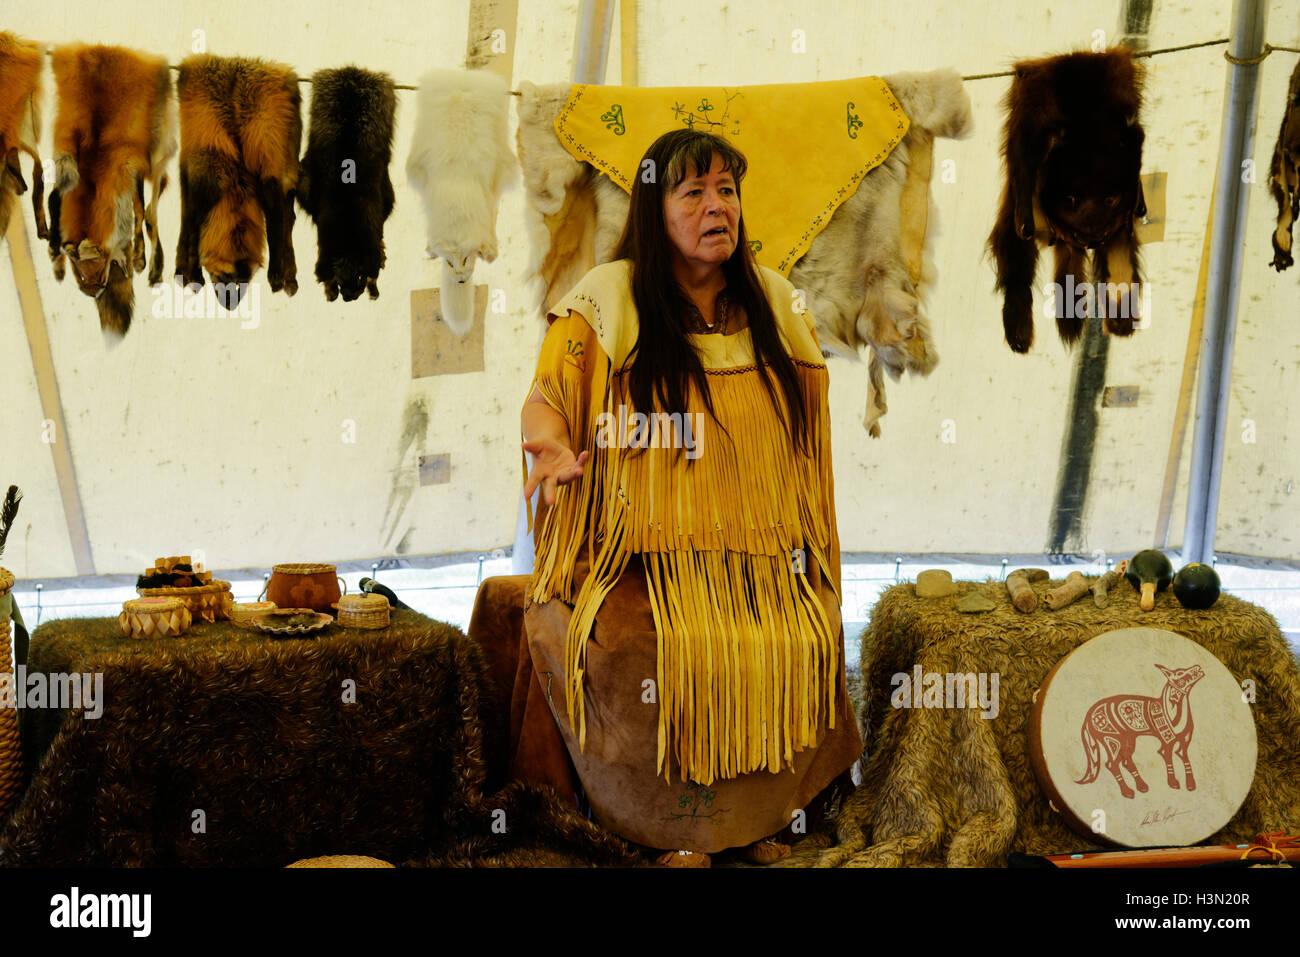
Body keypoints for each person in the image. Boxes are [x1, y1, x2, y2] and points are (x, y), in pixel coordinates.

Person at [519, 128, 861, 867]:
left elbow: (810, 443)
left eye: (727, 190)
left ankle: (753, 821)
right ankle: (675, 830)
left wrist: (810, 561)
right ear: (655, 207)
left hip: (760, 561)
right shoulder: (607, 301)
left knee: (793, 637)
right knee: (645, 650)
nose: (717, 207)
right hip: (638, 562)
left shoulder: (776, 302)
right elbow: (547, 398)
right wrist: (549, 442)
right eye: (694, 191)